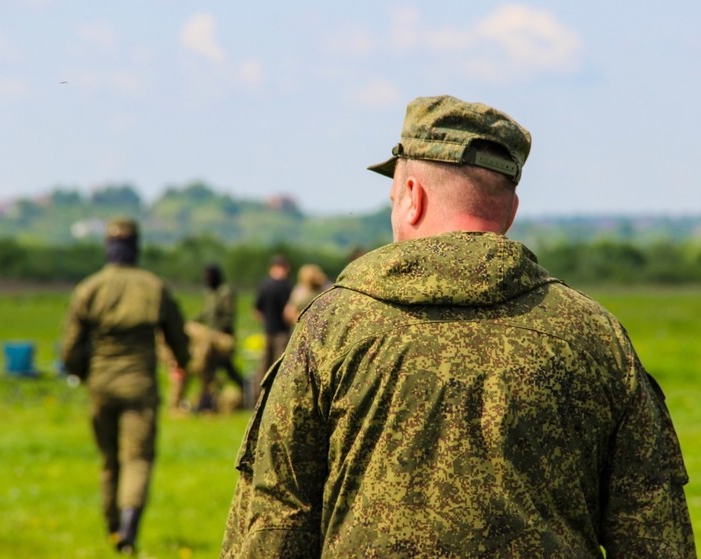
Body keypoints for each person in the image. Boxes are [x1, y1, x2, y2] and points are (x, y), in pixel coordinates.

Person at [221, 96, 695, 558]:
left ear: (411, 197)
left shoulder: (331, 328)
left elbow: (276, 520)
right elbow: (653, 533)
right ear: (510, 209)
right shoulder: (595, 336)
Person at [61, 217, 190, 555]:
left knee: (109, 460)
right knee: (138, 458)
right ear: (136, 247)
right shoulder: (153, 286)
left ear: (108, 247)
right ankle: (129, 531)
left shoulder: (90, 288)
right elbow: (179, 339)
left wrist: (83, 372)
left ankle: (112, 527)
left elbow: (70, 348)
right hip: (139, 384)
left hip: (101, 383)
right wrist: (184, 362)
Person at [169, 263, 244, 412]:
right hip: (209, 337)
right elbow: (206, 314)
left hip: (221, 337)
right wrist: (192, 321)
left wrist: (212, 333)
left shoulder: (225, 292)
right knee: (214, 373)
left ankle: (244, 395)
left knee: (228, 371)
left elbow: (228, 317)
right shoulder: (210, 293)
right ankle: (209, 402)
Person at [251, 254, 292, 401]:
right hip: (282, 332)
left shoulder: (264, 285)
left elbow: (256, 310)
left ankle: (257, 398)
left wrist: (266, 321)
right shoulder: (286, 286)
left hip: (267, 330)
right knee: (280, 366)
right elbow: (288, 312)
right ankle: (278, 399)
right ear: (284, 268)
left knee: (264, 366)